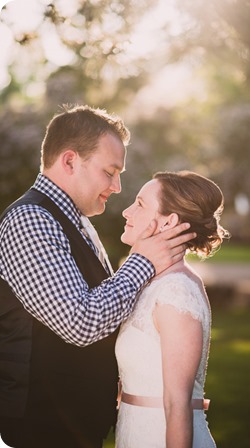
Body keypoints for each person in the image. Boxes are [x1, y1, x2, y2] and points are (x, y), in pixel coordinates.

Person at [0, 105, 195, 448]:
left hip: (69, 427)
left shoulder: (76, 221)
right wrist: (142, 261)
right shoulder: (31, 221)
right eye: (110, 172)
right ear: (70, 161)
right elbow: (81, 321)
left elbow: (105, 308)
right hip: (38, 428)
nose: (117, 186)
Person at [116, 170, 229, 448]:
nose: (126, 212)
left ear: (170, 222)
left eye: (140, 204)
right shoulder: (150, 283)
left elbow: (177, 403)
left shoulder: (176, 290)